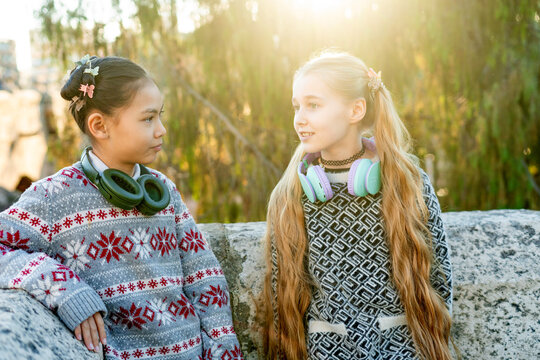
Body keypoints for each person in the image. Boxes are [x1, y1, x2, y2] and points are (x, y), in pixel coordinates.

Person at [0, 55, 243, 360]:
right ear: (100, 126)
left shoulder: (163, 190)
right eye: (148, 118)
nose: (162, 129)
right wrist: (66, 289)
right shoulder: (55, 197)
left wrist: (223, 351)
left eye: (160, 116)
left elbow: (204, 277)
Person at [259, 51, 454, 359]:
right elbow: (281, 299)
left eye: (313, 105)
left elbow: (439, 280)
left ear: (356, 110)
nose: (299, 118)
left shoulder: (407, 184)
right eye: (296, 106)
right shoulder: (290, 195)